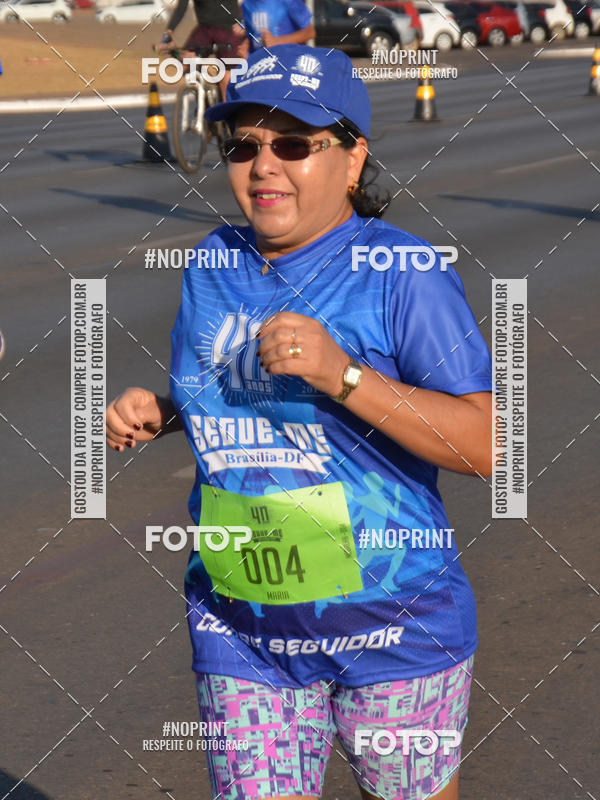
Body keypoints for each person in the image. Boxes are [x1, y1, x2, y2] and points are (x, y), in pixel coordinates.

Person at [106, 44, 493, 800]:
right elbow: (230, 391)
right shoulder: (211, 264)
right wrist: (166, 410)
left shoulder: (402, 273)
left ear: (353, 160)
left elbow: (485, 444)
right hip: (242, 626)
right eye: (243, 145)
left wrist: (343, 375)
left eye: (293, 144)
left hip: (394, 624)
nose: (263, 166)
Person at [158, 0, 244, 98]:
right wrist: (168, 34)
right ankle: (206, 95)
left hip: (229, 29)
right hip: (204, 29)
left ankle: (225, 107)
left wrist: (243, 23)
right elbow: (182, 6)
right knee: (185, 64)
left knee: (227, 77)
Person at [239, 0, 315, 53]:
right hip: (260, 65)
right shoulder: (246, 4)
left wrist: (277, 41)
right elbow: (249, 36)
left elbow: (310, 32)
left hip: (286, 63)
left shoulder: (289, 1)